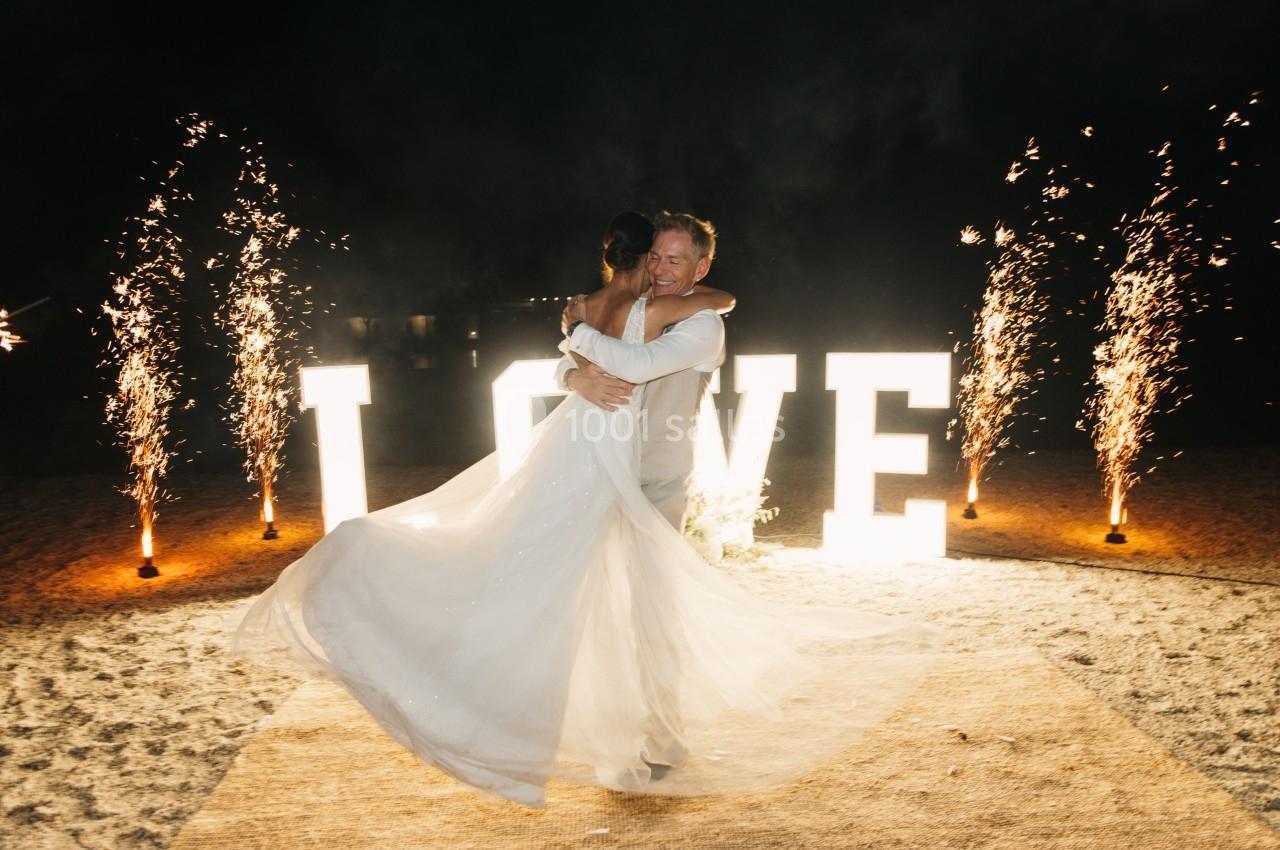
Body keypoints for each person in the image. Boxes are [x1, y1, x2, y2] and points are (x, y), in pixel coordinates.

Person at [227, 211, 945, 810]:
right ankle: (500, 709)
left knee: (650, 615)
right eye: (656, 256)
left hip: (654, 488)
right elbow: (572, 367)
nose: (664, 268)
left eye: (676, 259)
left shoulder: (701, 326)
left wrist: (576, 333)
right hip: (588, 478)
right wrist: (571, 366)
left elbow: (633, 367)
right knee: (556, 598)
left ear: (698, 268)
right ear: (640, 259)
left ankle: (659, 742)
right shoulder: (644, 308)